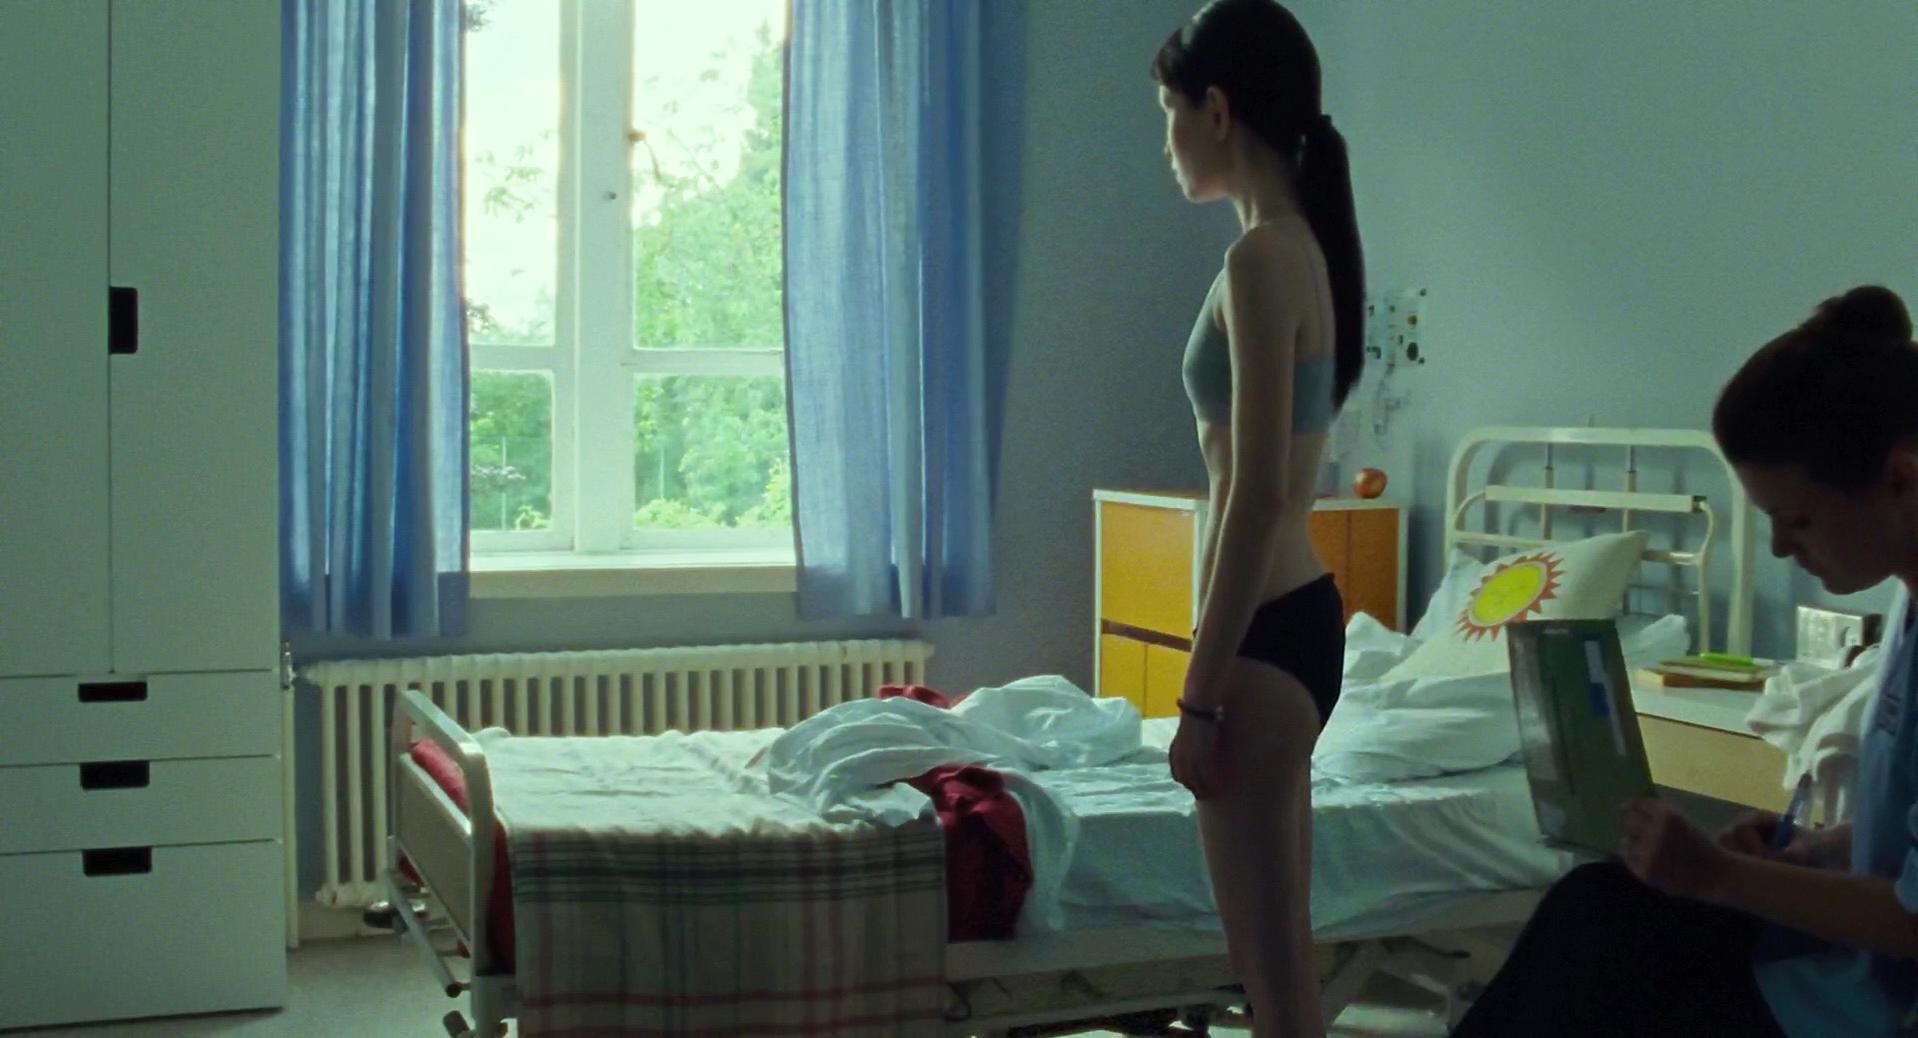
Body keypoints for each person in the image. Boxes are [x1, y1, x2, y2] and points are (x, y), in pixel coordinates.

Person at [1452, 285, 1918, 1037]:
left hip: (1878, 1007)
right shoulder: (1907, 605)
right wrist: (1819, 851)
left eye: (1797, 520)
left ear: (1901, 480)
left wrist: (1723, 877)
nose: (1780, 549)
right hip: (1842, 970)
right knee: (1597, 906)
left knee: (1606, 967)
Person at [1152, 1, 1365, 1033]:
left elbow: (1258, 494)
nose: (1167, 143)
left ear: (1217, 110)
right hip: (1299, 617)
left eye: (1169, 114)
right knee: (1283, 975)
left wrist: (1197, 695)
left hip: (1264, 634)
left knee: (1273, 984)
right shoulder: (1302, 251)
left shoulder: (1260, 260)